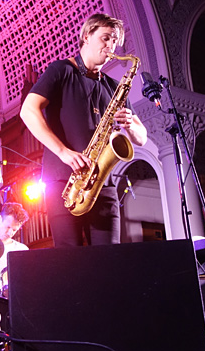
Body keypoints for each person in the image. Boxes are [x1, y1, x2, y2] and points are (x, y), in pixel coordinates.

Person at [19, 13, 147, 247]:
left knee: (109, 265)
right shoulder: (61, 70)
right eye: (105, 38)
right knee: (70, 265)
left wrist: (131, 123)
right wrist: (63, 152)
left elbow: (141, 139)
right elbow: (28, 111)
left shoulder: (112, 86)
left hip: (103, 186)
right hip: (63, 183)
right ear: (86, 36)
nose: (111, 46)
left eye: (114, 41)